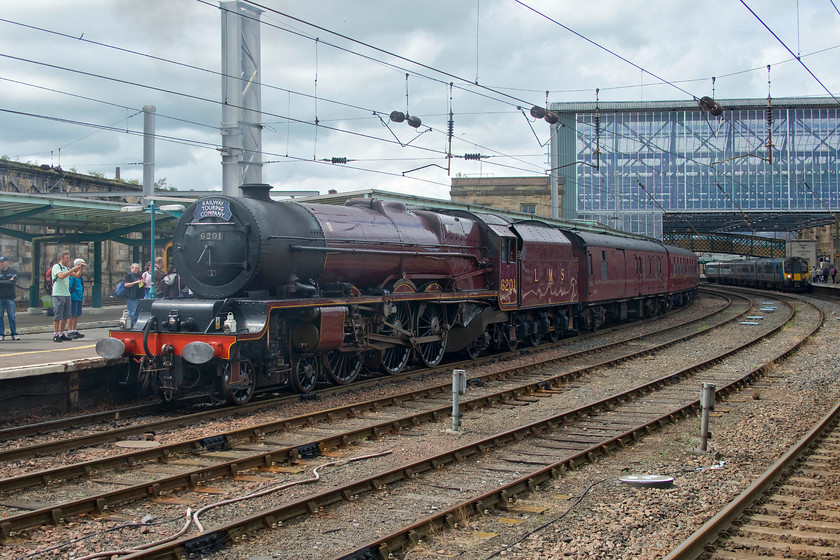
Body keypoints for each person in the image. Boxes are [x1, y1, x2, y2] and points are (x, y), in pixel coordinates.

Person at [51, 251, 84, 342]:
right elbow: (61, 276)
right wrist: (72, 269)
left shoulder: (66, 268)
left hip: (66, 294)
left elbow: (76, 276)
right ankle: (55, 334)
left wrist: (81, 269)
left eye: (69, 258)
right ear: (61, 258)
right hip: (58, 294)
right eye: (67, 258)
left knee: (66, 315)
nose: (68, 260)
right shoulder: (57, 267)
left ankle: (61, 333)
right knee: (58, 315)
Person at [0, 256, 20, 341]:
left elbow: (12, 282)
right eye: (0, 262)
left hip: (10, 297)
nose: (1, 263)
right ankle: (1, 334)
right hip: (0, 297)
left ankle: (14, 334)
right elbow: (9, 282)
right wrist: (8, 281)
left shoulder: (13, 271)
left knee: (11, 316)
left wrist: (3, 281)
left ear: (7, 262)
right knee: (0, 316)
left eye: (3, 261)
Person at [67, 258, 86, 339]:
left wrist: (82, 297)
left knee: (77, 315)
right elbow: (69, 286)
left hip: (78, 297)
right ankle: (69, 330)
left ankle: (74, 329)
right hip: (73, 297)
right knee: (72, 314)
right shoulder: (73, 275)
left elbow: (81, 287)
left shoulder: (80, 276)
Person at [123, 262, 144, 327]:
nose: (136, 270)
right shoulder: (129, 275)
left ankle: (137, 324)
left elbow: (141, 283)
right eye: (135, 269)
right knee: (132, 311)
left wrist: (143, 282)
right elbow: (126, 285)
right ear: (131, 268)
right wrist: (136, 282)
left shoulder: (139, 275)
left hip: (139, 295)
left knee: (138, 312)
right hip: (132, 296)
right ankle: (133, 324)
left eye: (137, 269)